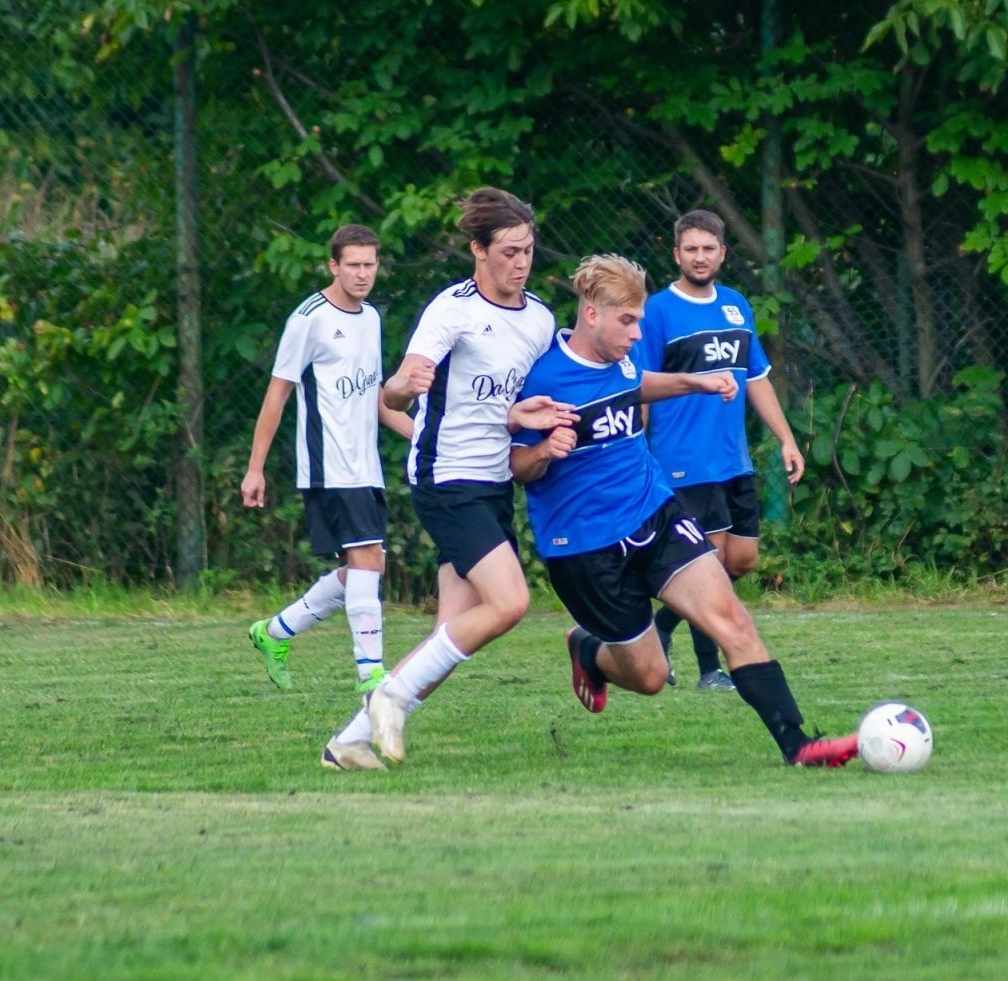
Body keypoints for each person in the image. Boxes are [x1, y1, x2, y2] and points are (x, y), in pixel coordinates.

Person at [510, 253, 855, 767]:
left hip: (655, 513)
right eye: (626, 321)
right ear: (591, 314)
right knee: (649, 678)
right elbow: (518, 466)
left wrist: (695, 381)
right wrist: (543, 452)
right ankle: (589, 652)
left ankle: (799, 744)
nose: (635, 332)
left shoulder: (622, 356)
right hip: (585, 547)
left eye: (639, 320)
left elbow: (636, 383)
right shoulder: (547, 380)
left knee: (732, 619)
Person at [319, 187, 575, 771]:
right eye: (508, 251)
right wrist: (404, 386)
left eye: (528, 251)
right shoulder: (451, 310)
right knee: (509, 603)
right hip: (446, 478)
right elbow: (393, 389)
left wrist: (523, 416)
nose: (520, 262)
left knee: (447, 639)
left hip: (493, 482)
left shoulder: (538, 319)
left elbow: (509, 406)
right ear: (477, 251)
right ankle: (386, 698)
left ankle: (348, 743)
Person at [634, 210, 804, 690]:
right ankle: (711, 670)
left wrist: (786, 438)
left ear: (723, 253)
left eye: (708, 248)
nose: (700, 257)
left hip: (734, 460)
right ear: (676, 254)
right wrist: (638, 453)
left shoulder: (735, 305)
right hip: (684, 461)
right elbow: (642, 387)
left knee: (742, 560)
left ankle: (661, 626)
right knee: (705, 562)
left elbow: (757, 379)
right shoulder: (658, 312)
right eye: (691, 249)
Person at [241, 224, 412, 694]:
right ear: (333, 265)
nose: (362, 274)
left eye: (370, 264)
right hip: (329, 466)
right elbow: (277, 395)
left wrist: (422, 437)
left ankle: (275, 632)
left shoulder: (372, 318)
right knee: (366, 561)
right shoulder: (309, 318)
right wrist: (255, 469)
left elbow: (377, 398)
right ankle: (371, 675)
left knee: (367, 566)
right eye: (353, 264)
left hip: (365, 465)